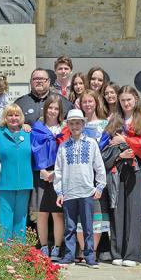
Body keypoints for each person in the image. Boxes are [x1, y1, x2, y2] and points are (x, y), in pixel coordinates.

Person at [54, 109, 106, 269]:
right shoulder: (63, 146)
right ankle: (69, 255)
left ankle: (89, 256)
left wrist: (100, 186)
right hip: (69, 192)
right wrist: (59, 192)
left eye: (78, 123)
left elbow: (99, 166)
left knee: (88, 225)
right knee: (70, 226)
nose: (75, 126)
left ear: (83, 124)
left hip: (87, 191)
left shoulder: (91, 144)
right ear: (68, 125)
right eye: (71, 123)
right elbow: (58, 170)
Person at [108, 86, 141, 267]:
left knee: (134, 210)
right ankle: (117, 251)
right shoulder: (115, 119)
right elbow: (108, 143)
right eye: (123, 100)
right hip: (118, 167)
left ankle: (132, 254)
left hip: (135, 168)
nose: (126, 103)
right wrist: (118, 153)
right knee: (117, 208)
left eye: (129, 100)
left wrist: (125, 140)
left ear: (136, 99)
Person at [30, 95, 70, 261]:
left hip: (60, 175)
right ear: (45, 109)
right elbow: (33, 151)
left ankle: (57, 247)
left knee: (57, 213)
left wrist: (57, 173)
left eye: (56, 109)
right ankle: (44, 245)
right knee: (42, 213)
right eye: (50, 108)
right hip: (42, 174)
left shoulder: (65, 129)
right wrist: (43, 171)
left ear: (60, 111)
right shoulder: (37, 128)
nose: (52, 111)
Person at [0, 104, 33, 242]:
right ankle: (4, 253)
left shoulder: (28, 133)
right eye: (10, 115)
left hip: (24, 183)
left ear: (21, 118)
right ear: (5, 117)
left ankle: (19, 252)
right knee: (4, 220)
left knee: (21, 219)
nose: (13, 118)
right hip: (4, 183)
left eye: (17, 115)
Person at [76, 89, 109, 259]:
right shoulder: (76, 124)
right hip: (79, 174)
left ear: (96, 103)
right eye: (84, 102)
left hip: (98, 173)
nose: (87, 105)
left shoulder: (104, 124)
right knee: (80, 212)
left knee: (97, 212)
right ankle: (82, 249)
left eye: (90, 101)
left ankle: (93, 250)